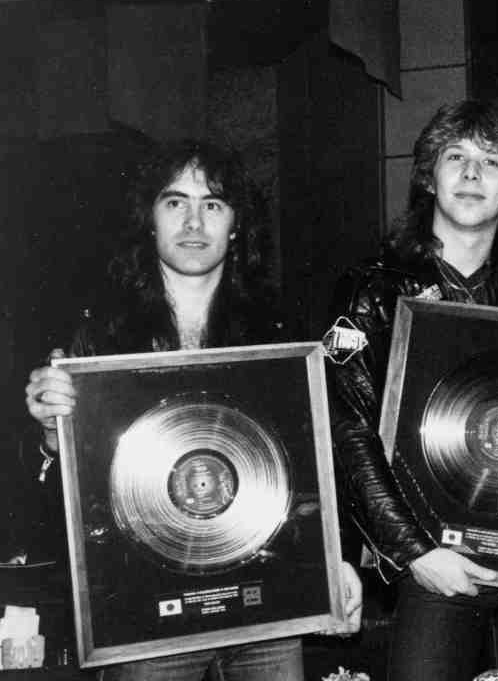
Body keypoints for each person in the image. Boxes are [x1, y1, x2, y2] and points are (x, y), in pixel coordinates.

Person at [22, 139, 362, 681]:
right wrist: (48, 431)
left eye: (215, 203)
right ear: (150, 221)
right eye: (175, 202)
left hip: (266, 606)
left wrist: (332, 560)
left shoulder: (278, 335)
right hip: (145, 617)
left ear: (236, 226)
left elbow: (314, 465)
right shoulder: (100, 340)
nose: (194, 221)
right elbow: (63, 499)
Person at [326, 99, 498, 681]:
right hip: (432, 563)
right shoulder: (371, 290)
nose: (472, 174)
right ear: (430, 176)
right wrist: (416, 552)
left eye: (491, 161)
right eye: (455, 157)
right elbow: (349, 431)